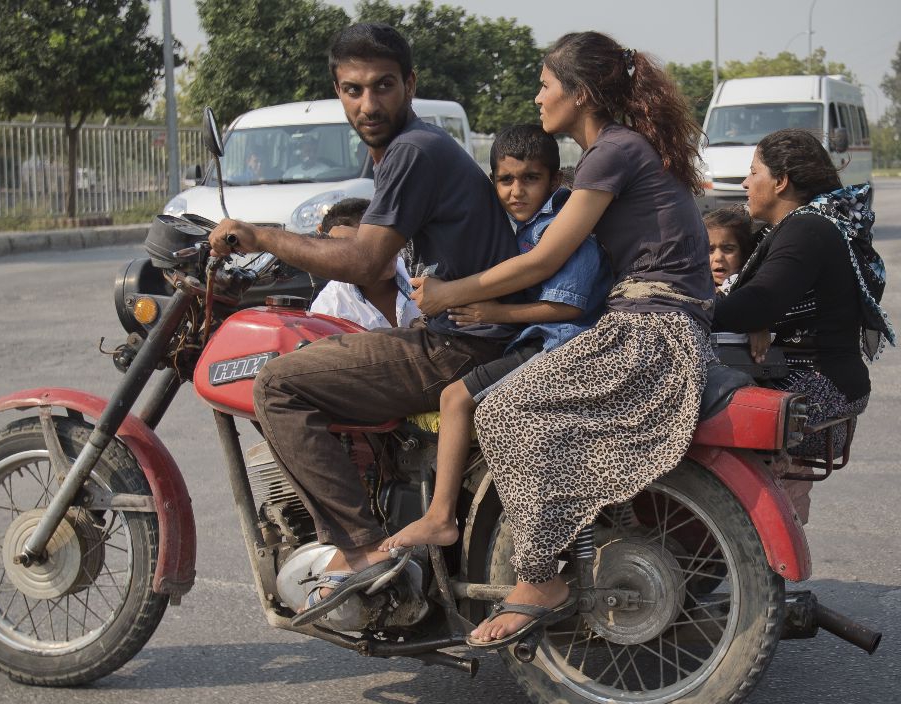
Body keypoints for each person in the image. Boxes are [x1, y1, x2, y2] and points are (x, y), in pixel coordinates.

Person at [208, 23, 521, 622]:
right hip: (467, 333)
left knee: (277, 384)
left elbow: (365, 259)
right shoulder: (402, 150)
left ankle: (363, 551)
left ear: (410, 84)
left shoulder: (412, 150)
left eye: (382, 87)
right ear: (337, 90)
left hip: (462, 341)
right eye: (352, 90)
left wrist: (263, 234)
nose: (368, 104)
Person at [410, 31, 714, 647]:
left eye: (546, 84)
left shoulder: (611, 152)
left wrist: (451, 293)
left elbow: (544, 260)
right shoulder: (624, 149)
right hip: (654, 318)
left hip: (652, 329)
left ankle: (539, 577)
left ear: (578, 93)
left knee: (503, 411)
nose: (538, 95)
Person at [379, 124, 610, 551]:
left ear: (554, 181)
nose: (516, 191)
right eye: (506, 180)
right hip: (536, 341)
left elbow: (569, 308)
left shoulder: (560, 230)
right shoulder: (518, 228)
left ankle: (441, 516)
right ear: (492, 183)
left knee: (455, 397)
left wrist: (493, 312)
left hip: (558, 344)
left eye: (530, 179)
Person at [713, 129, 894, 519]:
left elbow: (758, 302)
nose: (745, 182)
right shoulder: (811, 224)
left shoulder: (807, 229)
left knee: (672, 408)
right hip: (821, 381)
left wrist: (682, 305)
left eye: (753, 171)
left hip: (814, 386)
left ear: (780, 182)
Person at [309, 197, 421, 329]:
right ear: (339, 251)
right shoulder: (330, 307)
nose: (386, 249)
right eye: (369, 245)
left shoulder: (424, 275)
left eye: (389, 237)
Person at [704, 205, 754, 294]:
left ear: (744, 254)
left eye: (728, 249)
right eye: (710, 250)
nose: (718, 257)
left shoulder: (749, 287)